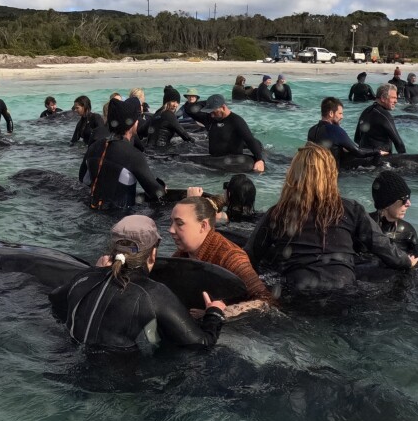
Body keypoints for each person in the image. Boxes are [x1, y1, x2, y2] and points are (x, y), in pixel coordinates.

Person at [245, 143, 417, 294]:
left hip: (298, 290)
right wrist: (405, 261)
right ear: (331, 174)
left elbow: (249, 256)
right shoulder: (351, 208)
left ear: (293, 176)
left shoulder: (278, 212)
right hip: (343, 288)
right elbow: (381, 245)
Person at [49, 214, 226, 352]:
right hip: (119, 382)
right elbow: (201, 344)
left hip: (71, 366)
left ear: (113, 250)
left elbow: (54, 299)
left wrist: (95, 272)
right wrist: (214, 313)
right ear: (153, 254)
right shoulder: (154, 294)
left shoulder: (84, 277)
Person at [167, 196, 273, 314]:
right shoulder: (180, 256)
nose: (171, 230)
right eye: (171, 222)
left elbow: (266, 300)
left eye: (179, 223)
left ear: (203, 226)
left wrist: (219, 312)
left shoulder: (231, 257)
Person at [79, 97, 166, 211]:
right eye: (136, 119)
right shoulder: (134, 155)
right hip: (121, 217)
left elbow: (83, 179)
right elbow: (156, 193)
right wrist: (162, 186)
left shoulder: (93, 147)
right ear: (132, 123)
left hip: (92, 210)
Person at [194, 95, 266, 173]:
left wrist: (259, 159)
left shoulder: (236, 120)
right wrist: (206, 103)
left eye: (214, 111)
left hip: (231, 160)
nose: (212, 115)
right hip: (215, 159)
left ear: (223, 107)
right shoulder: (211, 119)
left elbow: (249, 140)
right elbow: (190, 110)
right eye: (210, 112)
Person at [308, 97, 385, 170]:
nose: (342, 117)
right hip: (334, 173)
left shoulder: (312, 130)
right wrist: (377, 151)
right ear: (331, 113)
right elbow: (358, 152)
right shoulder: (335, 130)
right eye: (340, 113)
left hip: (318, 171)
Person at [368, 171, 418, 258]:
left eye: (409, 198)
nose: (409, 204)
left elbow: (417, 256)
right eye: (404, 200)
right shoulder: (363, 226)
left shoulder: (408, 231)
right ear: (387, 204)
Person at [354, 84, 406, 155]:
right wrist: (404, 158)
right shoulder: (384, 115)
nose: (396, 101)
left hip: (364, 157)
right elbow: (399, 143)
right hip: (380, 158)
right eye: (393, 98)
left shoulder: (366, 111)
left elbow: (357, 138)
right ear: (383, 98)